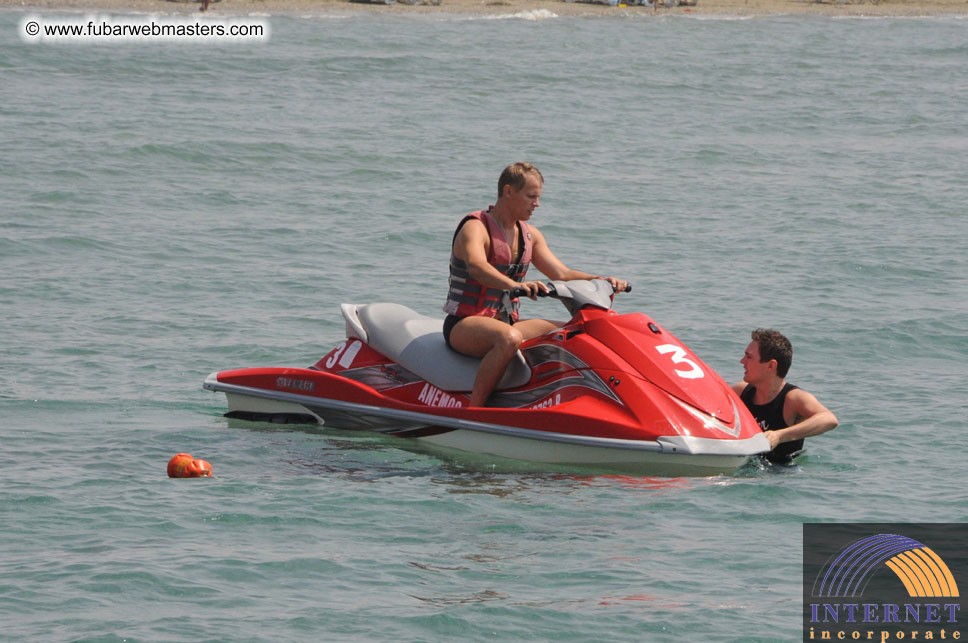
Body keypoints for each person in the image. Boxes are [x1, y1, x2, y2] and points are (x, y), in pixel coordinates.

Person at [443, 162, 627, 407]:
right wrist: (515, 285)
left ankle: (562, 402)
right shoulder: (475, 228)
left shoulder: (530, 235)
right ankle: (475, 409)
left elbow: (561, 273)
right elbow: (477, 266)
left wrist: (601, 280)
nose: (537, 204)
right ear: (508, 192)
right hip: (464, 324)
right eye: (531, 196)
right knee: (509, 338)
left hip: (506, 322)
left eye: (538, 197)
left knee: (576, 334)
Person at [732, 328, 839, 463]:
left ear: (771, 366)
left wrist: (779, 436)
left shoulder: (793, 399)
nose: (742, 361)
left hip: (782, 474)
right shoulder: (740, 392)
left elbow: (829, 419)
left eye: (749, 357)